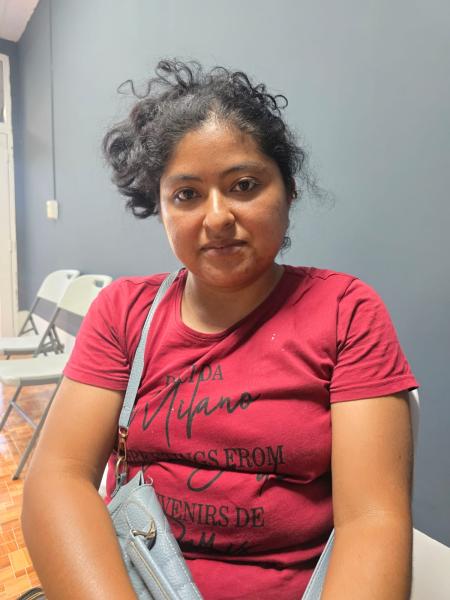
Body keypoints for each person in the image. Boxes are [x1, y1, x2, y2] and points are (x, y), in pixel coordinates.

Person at [22, 59, 419, 600]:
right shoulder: (123, 312)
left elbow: (372, 520)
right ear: (160, 208)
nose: (216, 218)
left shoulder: (346, 312)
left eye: (244, 185)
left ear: (289, 190)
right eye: (186, 194)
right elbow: (58, 477)